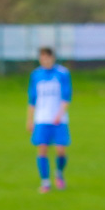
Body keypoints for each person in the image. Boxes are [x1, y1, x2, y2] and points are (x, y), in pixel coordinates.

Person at [26, 46, 72, 192]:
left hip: (59, 120)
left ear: (52, 57)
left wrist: (60, 114)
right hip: (41, 119)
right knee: (42, 150)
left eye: (47, 56)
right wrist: (30, 119)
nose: (44, 59)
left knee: (60, 150)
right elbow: (32, 99)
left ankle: (59, 173)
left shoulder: (62, 73)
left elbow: (66, 96)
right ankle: (45, 182)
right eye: (42, 57)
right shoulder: (36, 75)